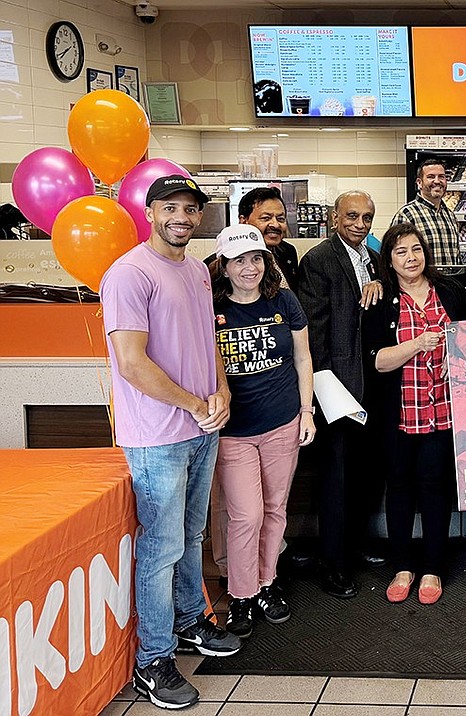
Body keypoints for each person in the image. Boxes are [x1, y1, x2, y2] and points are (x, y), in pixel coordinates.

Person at [100, 175, 240, 710]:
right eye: (171, 207)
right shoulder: (129, 274)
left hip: (203, 426)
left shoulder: (198, 274)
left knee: (190, 534)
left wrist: (221, 391)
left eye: (190, 208)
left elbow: (210, 342)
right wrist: (192, 403)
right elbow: (132, 364)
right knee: (160, 550)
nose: (182, 217)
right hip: (158, 436)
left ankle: (189, 622)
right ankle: (152, 661)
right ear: (150, 211)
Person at [208, 225, 316, 639]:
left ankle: (267, 584)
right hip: (233, 431)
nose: (249, 267)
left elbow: (304, 359)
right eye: (239, 260)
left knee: (274, 510)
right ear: (224, 266)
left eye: (255, 258)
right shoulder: (210, 307)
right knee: (245, 515)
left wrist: (307, 412)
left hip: (282, 422)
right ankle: (241, 595)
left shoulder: (283, 300)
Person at [363, 223, 466, 605]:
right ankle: (402, 567)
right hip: (398, 414)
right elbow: (377, 361)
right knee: (398, 488)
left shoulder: (450, 291)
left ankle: (432, 568)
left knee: (435, 487)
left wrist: (457, 358)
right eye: (401, 252)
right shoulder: (379, 298)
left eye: (416, 250)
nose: (410, 258)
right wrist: (416, 344)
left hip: (443, 412)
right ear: (389, 260)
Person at [297, 190, 385, 599]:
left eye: (367, 217)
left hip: (372, 384)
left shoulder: (372, 255)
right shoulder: (318, 260)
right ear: (334, 217)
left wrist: (380, 280)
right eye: (352, 216)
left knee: (366, 473)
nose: (360, 224)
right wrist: (322, 388)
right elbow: (314, 331)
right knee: (336, 478)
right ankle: (333, 564)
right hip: (337, 388)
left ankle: (357, 544)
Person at [392, 157, 461, 265]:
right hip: (422, 281)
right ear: (419, 183)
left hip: (450, 281)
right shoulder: (406, 215)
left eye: (441, 177)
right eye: (431, 177)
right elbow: (397, 258)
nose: (437, 181)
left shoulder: (450, 215)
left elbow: (456, 256)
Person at [239, 186, 300, 292]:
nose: (275, 225)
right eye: (265, 218)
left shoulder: (288, 251)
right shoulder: (227, 260)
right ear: (244, 221)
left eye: (280, 218)